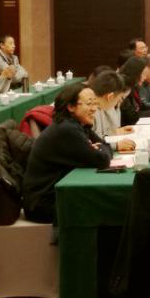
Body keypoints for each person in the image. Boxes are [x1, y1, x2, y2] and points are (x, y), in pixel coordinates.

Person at [22, 82, 113, 223]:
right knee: (105, 206)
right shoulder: (66, 129)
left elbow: (105, 146)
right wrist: (99, 150)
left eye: (95, 103)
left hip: (58, 194)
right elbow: (103, 160)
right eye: (89, 104)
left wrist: (100, 148)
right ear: (71, 107)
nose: (94, 109)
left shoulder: (78, 124)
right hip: (43, 204)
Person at [89, 70, 136, 152]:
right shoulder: (92, 111)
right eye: (119, 99)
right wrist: (116, 145)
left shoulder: (100, 107)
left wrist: (115, 132)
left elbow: (100, 136)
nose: (119, 102)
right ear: (110, 97)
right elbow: (92, 143)